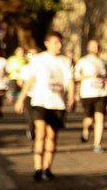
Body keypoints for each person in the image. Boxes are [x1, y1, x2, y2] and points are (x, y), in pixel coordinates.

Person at [14, 32, 75, 181]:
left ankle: (47, 168)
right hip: (40, 101)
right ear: (47, 44)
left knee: (52, 136)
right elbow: (31, 79)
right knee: (40, 133)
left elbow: (70, 81)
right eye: (55, 42)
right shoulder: (38, 59)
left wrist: (72, 97)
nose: (59, 45)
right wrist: (20, 99)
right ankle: (37, 168)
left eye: (60, 42)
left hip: (57, 103)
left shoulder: (65, 61)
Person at [74, 38, 107, 152]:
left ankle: (97, 145)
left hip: (101, 93)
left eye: (97, 46)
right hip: (87, 94)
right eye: (93, 46)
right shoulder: (83, 61)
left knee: (100, 118)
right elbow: (76, 77)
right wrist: (90, 76)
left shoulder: (103, 62)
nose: (96, 48)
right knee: (89, 119)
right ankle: (85, 130)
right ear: (88, 47)